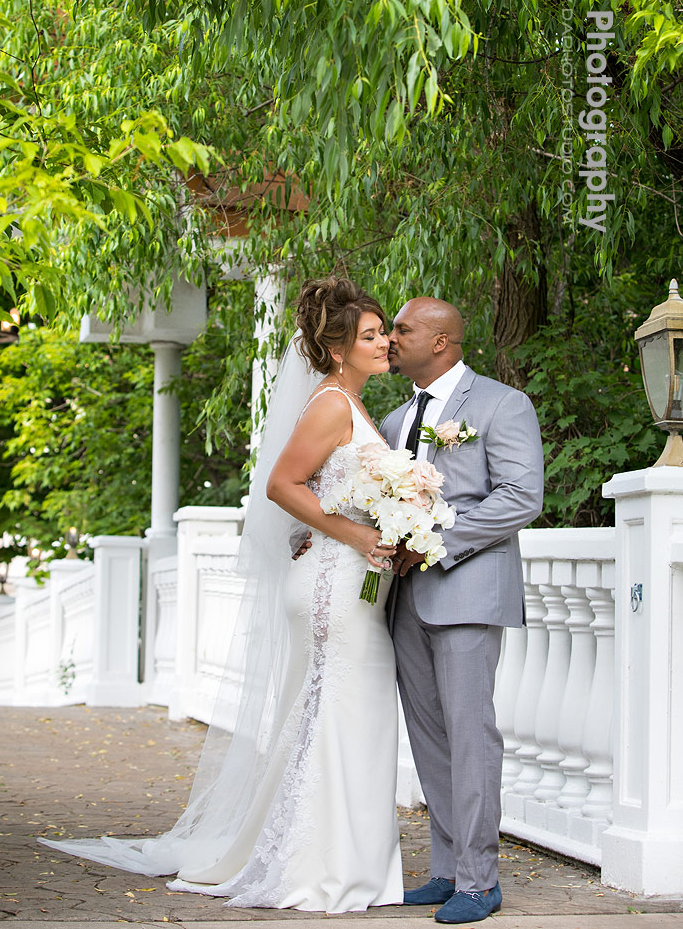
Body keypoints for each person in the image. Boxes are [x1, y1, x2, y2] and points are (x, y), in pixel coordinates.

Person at [41, 276, 403, 913]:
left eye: (383, 333)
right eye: (372, 335)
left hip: (351, 581)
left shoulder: (355, 403)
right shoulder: (331, 404)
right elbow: (283, 485)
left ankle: (340, 860)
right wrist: (353, 533)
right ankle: (319, 867)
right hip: (330, 585)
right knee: (336, 713)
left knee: (342, 716)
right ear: (340, 348)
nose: (385, 343)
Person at [381, 296, 544, 925]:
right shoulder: (395, 420)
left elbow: (521, 497)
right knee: (428, 739)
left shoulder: (502, 404)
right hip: (404, 603)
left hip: (468, 590)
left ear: (442, 341)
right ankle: (447, 869)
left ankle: (480, 881)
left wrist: (436, 543)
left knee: (471, 738)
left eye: (403, 329)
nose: (391, 338)